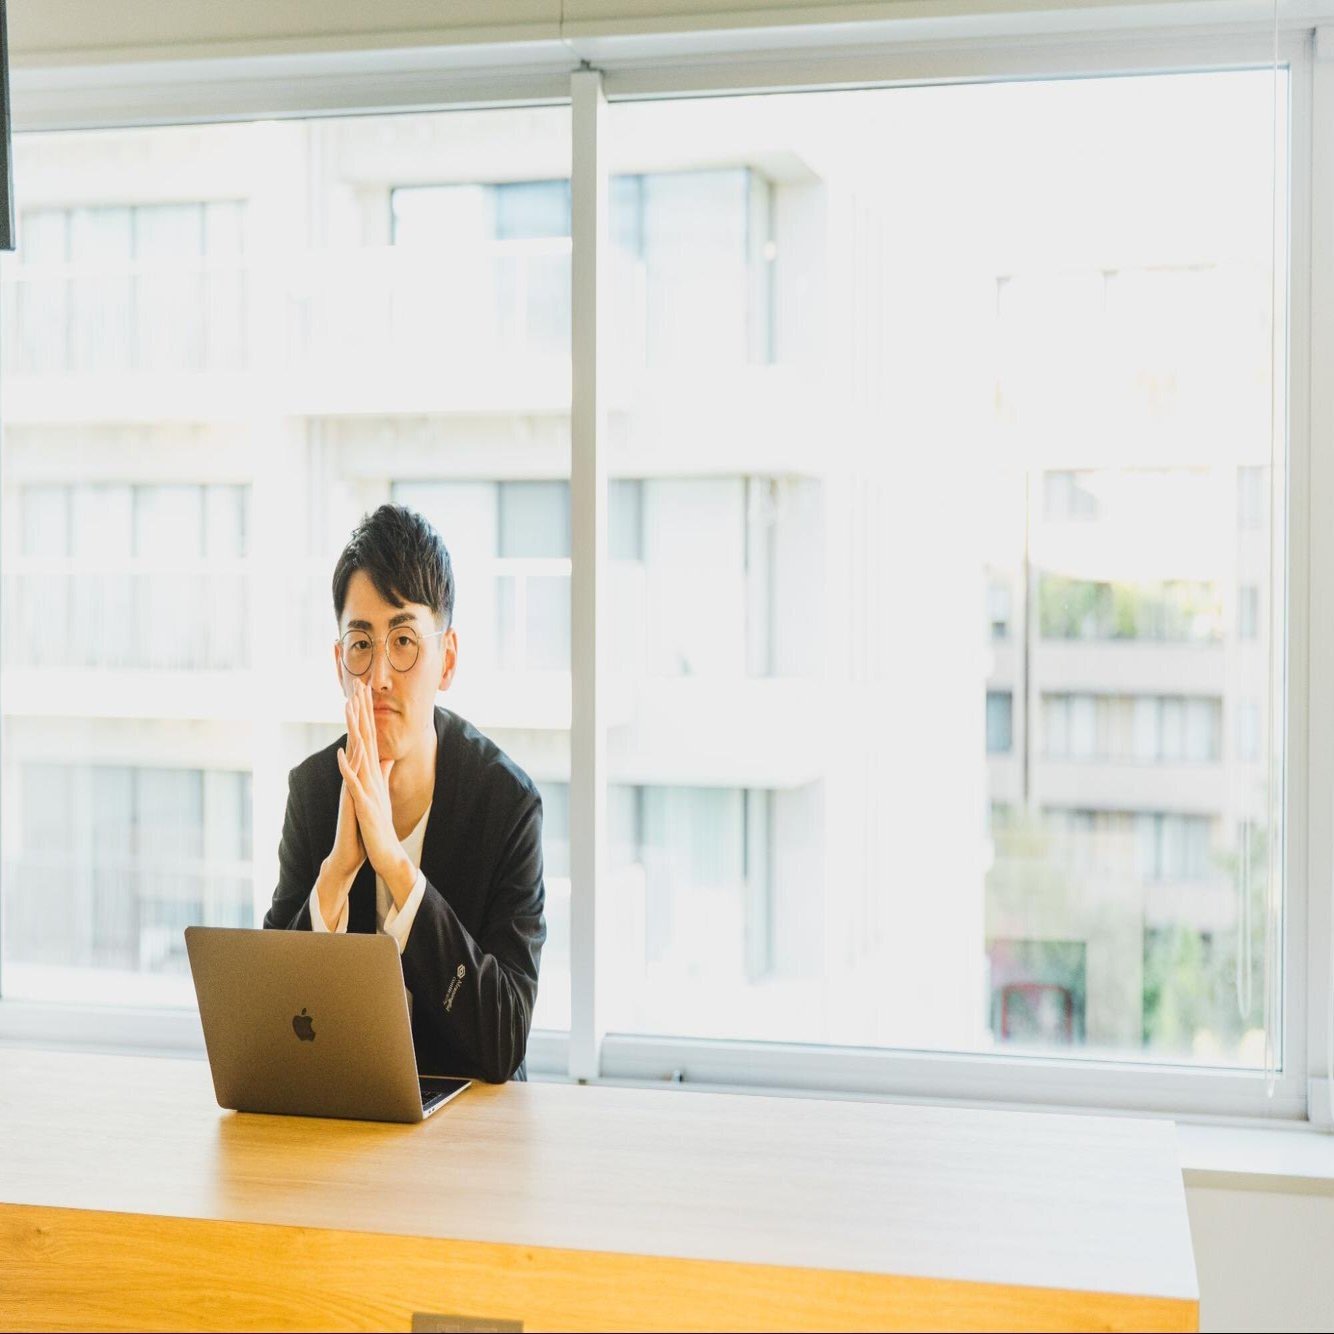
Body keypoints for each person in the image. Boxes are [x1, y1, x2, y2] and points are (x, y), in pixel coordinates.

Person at [263, 504, 545, 1082]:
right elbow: (267, 1027)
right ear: (339, 663)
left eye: (404, 640)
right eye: (361, 644)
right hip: (346, 1118)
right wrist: (337, 873)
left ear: (447, 660)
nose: (379, 676)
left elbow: (505, 1038)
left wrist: (394, 865)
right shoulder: (314, 792)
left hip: (472, 1122)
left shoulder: (507, 804)